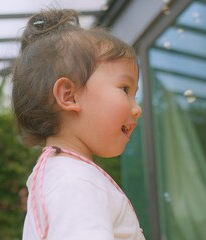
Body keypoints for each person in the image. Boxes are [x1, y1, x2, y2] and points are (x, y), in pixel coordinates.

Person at [12, 8, 144, 240]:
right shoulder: (75, 182)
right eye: (125, 89)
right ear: (69, 96)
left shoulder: (66, 175)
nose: (137, 109)